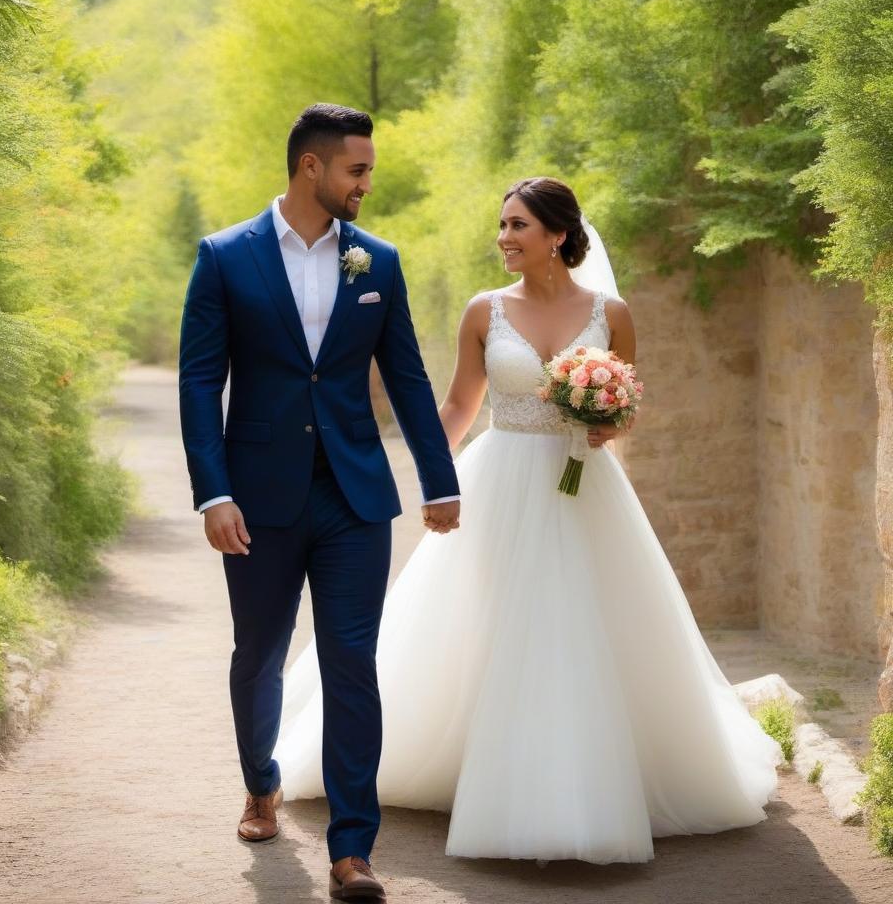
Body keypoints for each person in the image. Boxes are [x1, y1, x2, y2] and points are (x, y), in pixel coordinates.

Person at [276, 176, 783, 865]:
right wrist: (433, 477)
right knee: (497, 623)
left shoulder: (613, 313)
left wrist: (605, 426)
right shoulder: (486, 311)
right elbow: (457, 406)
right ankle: (483, 771)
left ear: (557, 235)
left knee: (580, 624)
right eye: (502, 224)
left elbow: (625, 408)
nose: (504, 237)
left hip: (583, 488)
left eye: (517, 225)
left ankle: (581, 785)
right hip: (500, 483)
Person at [178, 103, 460, 900]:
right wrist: (214, 492)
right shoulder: (226, 257)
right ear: (313, 167)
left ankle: (351, 850)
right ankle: (261, 782)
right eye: (357, 170)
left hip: (354, 498)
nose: (367, 183)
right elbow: (201, 380)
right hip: (257, 499)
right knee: (259, 652)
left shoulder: (378, 261)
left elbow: (406, 375)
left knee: (350, 662)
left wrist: (440, 481)